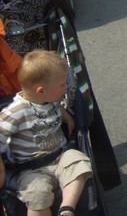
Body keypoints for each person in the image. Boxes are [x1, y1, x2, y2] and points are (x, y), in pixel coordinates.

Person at [0, 49, 93, 216]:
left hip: (59, 157)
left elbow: (56, 106)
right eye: (62, 84)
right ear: (41, 90)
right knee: (37, 194)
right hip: (30, 169)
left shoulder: (49, 99)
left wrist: (68, 117)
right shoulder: (16, 111)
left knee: (79, 162)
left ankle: (67, 208)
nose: (66, 87)